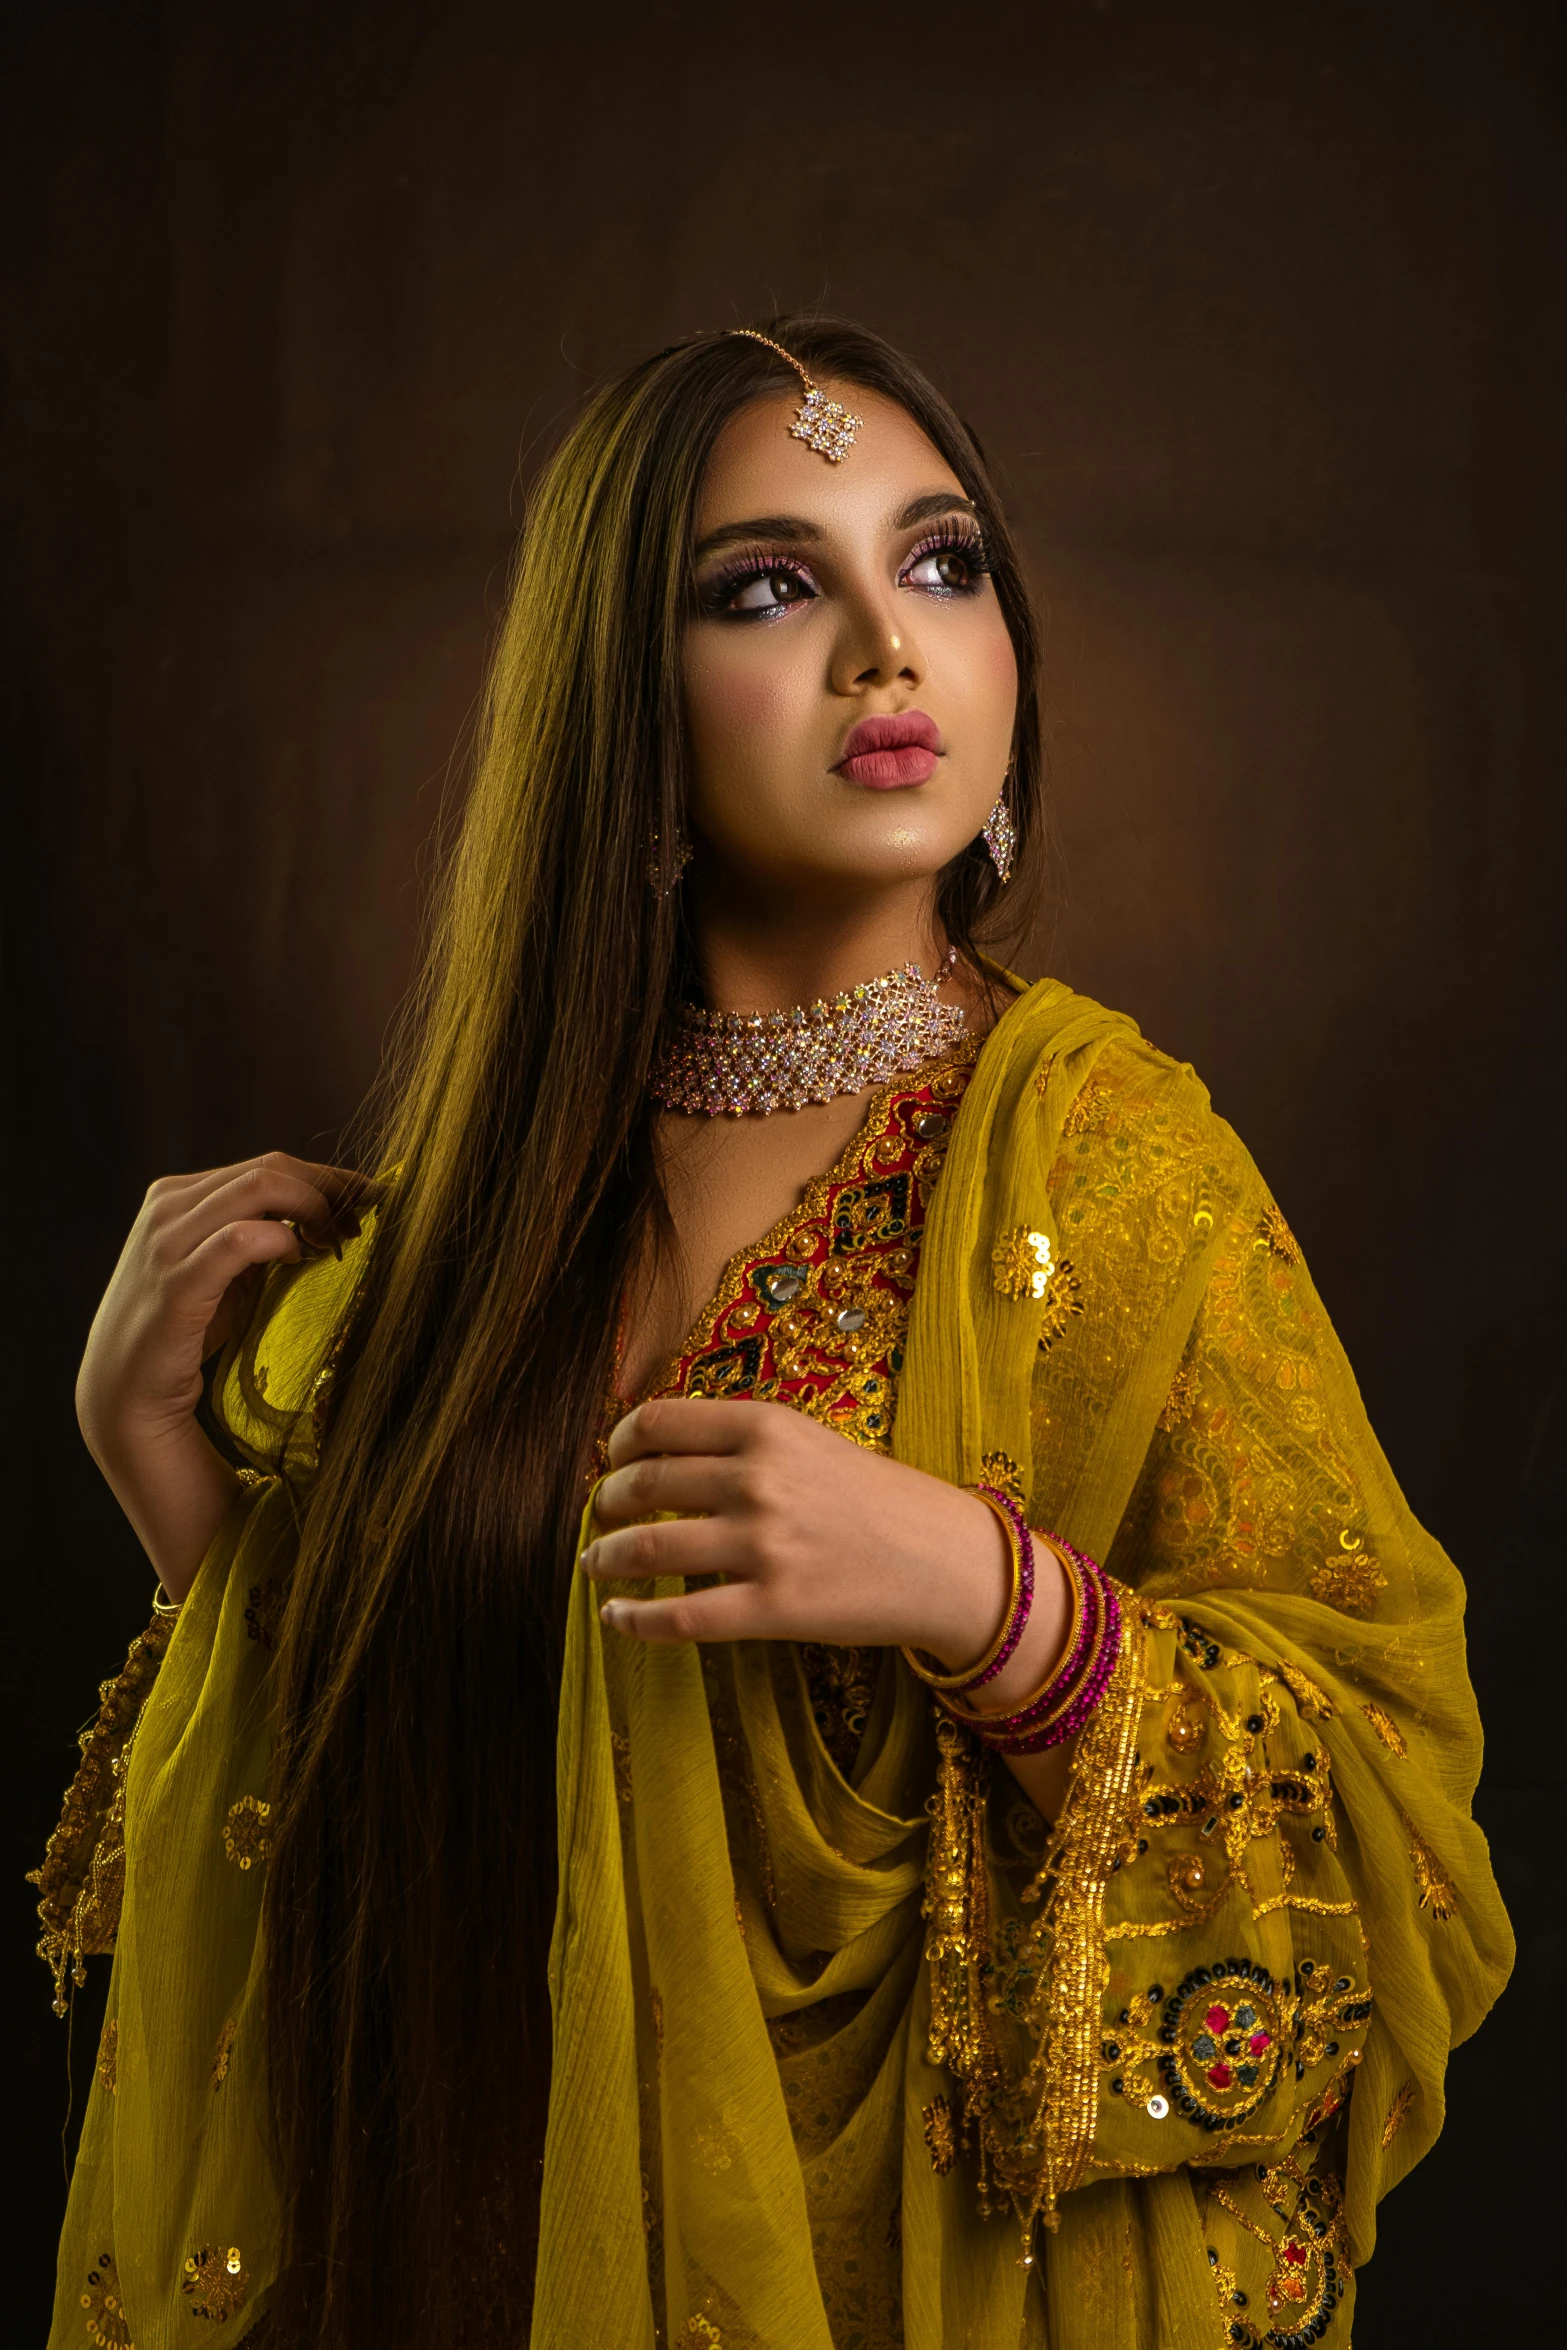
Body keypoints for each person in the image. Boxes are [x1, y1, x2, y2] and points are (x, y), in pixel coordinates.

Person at [36, 318, 1510, 2350]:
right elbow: (391, 1839)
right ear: (619, 695)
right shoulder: (489, 1196)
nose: (888, 650)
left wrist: (987, 1596)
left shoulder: (1116, 1167)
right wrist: (164, 1463)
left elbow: (1393, 1826)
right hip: (473, 2249)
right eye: (769, 585)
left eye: (941, 561)